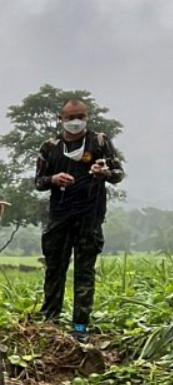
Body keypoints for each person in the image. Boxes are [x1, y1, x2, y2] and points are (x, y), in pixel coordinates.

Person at [35, 99, 125, 342]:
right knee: (55, 270)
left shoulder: (100, 142)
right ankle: (50, 321)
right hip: (59, 217)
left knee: (84, 271)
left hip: (90, 217)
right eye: (70, 117)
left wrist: (105, 172)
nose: (75, 121)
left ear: (87, 116)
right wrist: (54, 179)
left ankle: (80, 326)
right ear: (61, 118)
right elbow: (39, 181)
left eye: (80, 116)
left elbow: (118, 174)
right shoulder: (50, 147)